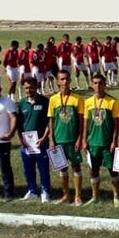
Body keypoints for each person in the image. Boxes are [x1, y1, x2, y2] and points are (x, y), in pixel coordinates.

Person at [81, 73, 119, 206]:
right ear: (92, 85)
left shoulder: (112, 102)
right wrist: (84, 140)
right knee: (94, 170)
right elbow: (86, 123)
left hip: (107, 143)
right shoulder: (87, 103)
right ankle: (95, 196)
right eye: (95, 83)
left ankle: (116, 197)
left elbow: (117, 124)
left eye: (100, 83)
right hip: (93, 143)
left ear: (104, 85)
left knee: (112, 170)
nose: (98, 86)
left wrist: (114, 140)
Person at [47, 70, 85, 206]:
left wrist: (80, 138)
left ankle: (78, 196)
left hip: (73, 140)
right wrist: (51, 139)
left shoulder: (77, 99)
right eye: (61, 79)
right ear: (57, 81)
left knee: (76, 167)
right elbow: (51, 121)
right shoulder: (53, 99)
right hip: (59, 140)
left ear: (70, 80)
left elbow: (82, 122)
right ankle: (66, 195)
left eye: (67, 79)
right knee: (62, 168)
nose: (64, 82)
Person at [17, 78, 51, 202]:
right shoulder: (21, 103)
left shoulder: (44, 101)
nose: (29, 90)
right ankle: (32, 191)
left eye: (31, 87)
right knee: (28, 168)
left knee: (43, 168)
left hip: (41, 142)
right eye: (26, 88)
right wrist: (21, 140)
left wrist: (44, 138)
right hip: (27, 143)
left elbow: (49, 122)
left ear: (36, 87)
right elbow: (19, 124)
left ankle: (45, 191)